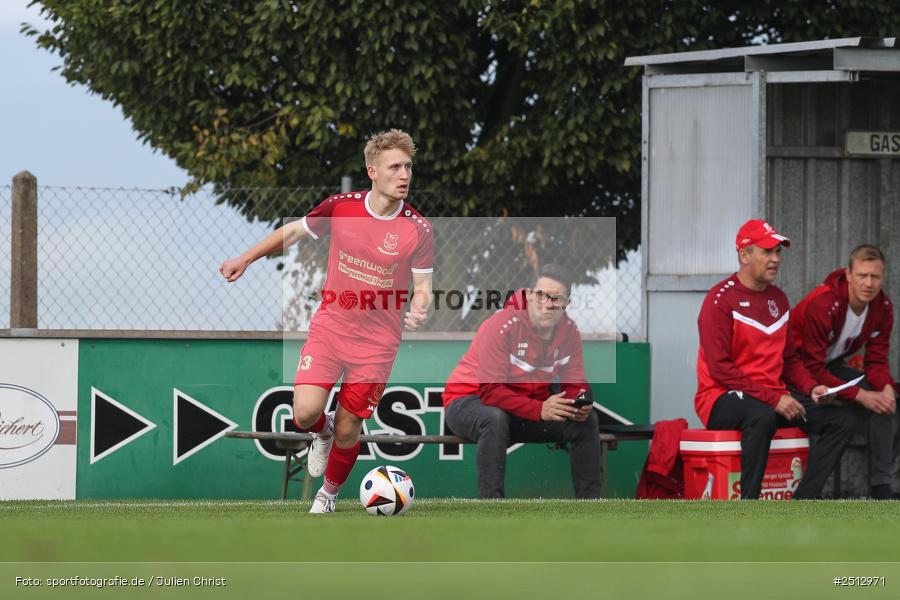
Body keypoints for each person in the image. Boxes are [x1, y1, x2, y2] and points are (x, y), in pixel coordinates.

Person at [220, 129, 434, 513]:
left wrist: (419, 306)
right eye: (395, 167)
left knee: (351, 427)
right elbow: (293, 232)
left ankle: (328, 496)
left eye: (408, 167)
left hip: (377, 344)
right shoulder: (342, 206)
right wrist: (246, 258)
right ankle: (323, 431)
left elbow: (423, 285)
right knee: (303, 413)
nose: (404, 175)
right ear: (372, 170)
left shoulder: (418, 229)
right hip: (331, 329)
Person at [694, 219, 855, 500]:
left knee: (842, 421)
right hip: (721, 398)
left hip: (771, 397)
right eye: (767, 252)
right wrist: (773, 399)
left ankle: (803, 501)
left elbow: (790, 360)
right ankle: (750, 507)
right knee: (763, 416)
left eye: (778, 252)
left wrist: (811, 389)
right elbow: (721, 369)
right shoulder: (719, 299)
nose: (775, 259)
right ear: (744, 255)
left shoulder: (779, 299)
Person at [442, 264, 601, 499]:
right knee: (494, 418)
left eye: (557, 298)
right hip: (467, 402)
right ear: (528, 295)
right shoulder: (500, 325)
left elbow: (575, 381)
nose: (548, 304)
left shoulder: (569, 331)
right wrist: (540, 409)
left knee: (587, 421)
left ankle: (593, 507)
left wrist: (580, 399)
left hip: (523, 410)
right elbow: (490, 392)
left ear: (566, 303)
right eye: (542, 295)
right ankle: (491, 505)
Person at [790, 244, 898, 499]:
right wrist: (861, 396)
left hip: (829, 366)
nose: (869, 283)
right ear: (849, 275)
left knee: (885, 401)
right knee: (826, 409)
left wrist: (886, 388)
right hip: (796, 369)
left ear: (883, 277)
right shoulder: (823, 302)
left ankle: (881, 487)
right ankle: (813, 494)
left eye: (875, 276)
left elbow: (877, 361)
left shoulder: (883, 307)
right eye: (862, 275)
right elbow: (813, 368)